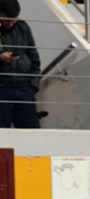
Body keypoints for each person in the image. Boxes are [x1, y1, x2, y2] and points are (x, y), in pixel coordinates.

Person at [0, 0, 41, 129]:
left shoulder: (23, 27)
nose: (12, 24)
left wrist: (32, 87)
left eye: (14, 20)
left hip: (24, 89)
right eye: (8, 20)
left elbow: (34, 58)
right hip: (2, 88)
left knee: (31, 134)